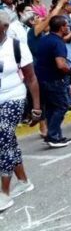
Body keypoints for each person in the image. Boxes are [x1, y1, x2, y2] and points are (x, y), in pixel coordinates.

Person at [0, 11, 41, 211]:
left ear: (5, 27)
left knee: (2, 138)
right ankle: (24, 182)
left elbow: (31, 78)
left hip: (13, 98)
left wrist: (36, 107)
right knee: (8, 140)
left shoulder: (17, 47)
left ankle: (4, 193)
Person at [36, 16, 71, 148]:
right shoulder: (58, 42)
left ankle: (55, 135)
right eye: (66, 25)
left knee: (52, 108)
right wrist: (70, 71)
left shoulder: (44, 40)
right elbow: (61, 64)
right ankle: (52, 136)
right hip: (54, 80)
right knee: (62, 106)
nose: (68, 27)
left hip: (42, 79)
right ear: (62, 27)